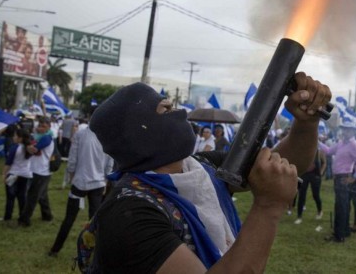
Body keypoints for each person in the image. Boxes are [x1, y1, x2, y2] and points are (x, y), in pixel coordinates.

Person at [89, 72, 331, 273]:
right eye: (166, 109)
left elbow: (285, 164)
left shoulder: (201, 167)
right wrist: (267, 207)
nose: (180, 113)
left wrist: (306, 123)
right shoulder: (128, 213)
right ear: (139, 133)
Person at [49, 126, 114, 256]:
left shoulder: (81, 134)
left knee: (70, 218)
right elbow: (109, 162)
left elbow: (72, 158)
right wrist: (106, 179)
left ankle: (55, 250)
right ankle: (95, 253)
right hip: (97, 183)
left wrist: (71, 175)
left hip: (81, 182)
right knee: (94, 220)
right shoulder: (107, 135)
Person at [318, 121, 356, 242]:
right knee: (342, 205)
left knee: (341, 206)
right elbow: (328, 151)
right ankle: (344, 231)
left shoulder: (353, 144)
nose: (345, 131)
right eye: (344, 129)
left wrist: (354, 177)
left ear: (353, 131)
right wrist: (317, 142)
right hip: (339, 178)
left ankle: (339, 235)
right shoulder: (341, 143)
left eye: (348, 129)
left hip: (343, 177)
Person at [18, 116, 55, 227]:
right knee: (42, 195)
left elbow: (34, 149)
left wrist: (29, 146)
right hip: (38, 170)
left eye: (43, 126)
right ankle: (47, 215)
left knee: (32, 196)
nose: (40, 128)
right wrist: (30, 146)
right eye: (39, 125)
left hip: (41, 171)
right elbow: (30, 148)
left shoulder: (47, 138)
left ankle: (25, 220)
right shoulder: (38, 136)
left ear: (49, 127)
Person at [2, 128, 33, 224]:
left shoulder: (15, 148)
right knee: (22, 197)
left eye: (15, 136)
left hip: (14, 173)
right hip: (26, 174)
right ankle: (22, 216)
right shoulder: (30, 148)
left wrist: (4, 174)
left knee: (10, 197)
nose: (13, 137)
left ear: (20, 138)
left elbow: (8, 162)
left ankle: (8, 216)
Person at [294, 149, 326, 224]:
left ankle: (320, 211)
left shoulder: (319, 151)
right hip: (304, 175)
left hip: (315, 176)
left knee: (316, 195)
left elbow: (324, 163)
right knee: (301, 195)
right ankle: (299, 216)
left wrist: (321, 172)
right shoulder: (304, 151)